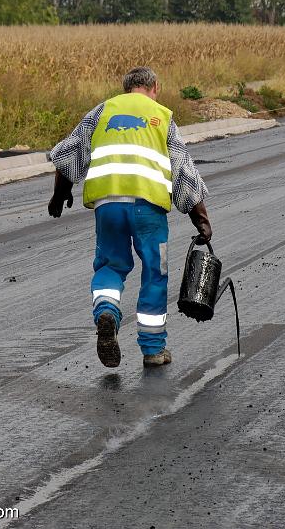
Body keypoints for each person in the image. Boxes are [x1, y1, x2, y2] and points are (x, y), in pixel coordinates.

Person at [48, 66, 212, 368]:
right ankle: (152, 350)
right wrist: (200, 218)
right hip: (147, 207)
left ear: (126, 89)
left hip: (107, 205)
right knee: (154, 272)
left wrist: (60, 194)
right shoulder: (162, 115)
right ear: (155, 87)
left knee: (110, 265)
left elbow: (69, 156)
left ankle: (107, 310)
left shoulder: (102, 111)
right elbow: (182, 171)